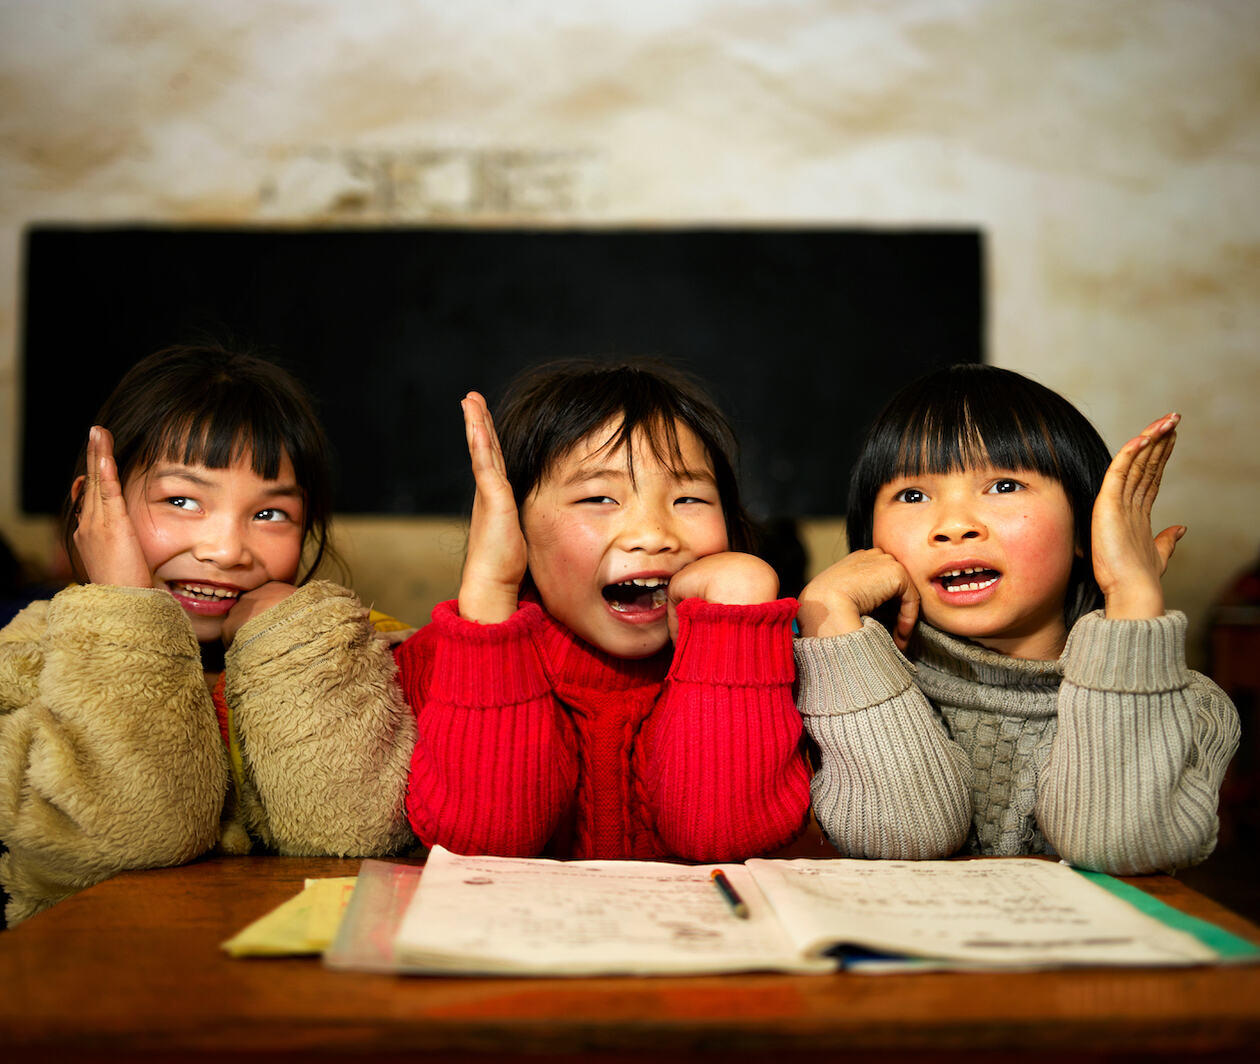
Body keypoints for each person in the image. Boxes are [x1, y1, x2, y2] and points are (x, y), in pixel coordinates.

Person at [0, 345, 416, 926]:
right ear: (91, 510)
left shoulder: (349, 653)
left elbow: (349, 835)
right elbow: (128, 840)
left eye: (270, 514)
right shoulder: (25, 662)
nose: (225, 550)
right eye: (181, 500)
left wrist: (287, 637)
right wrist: (127, 610)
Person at [794, 363, 1239, 874]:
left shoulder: (1190, 708)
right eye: (912, 495)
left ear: (1086, 530)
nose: (954, 526)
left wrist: (1133, 597)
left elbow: (1117, 846)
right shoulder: (832, 691)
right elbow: (905, 838)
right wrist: (829, 617)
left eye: (1004, 485)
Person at [395, 359, 810, 861]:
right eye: (598, 498)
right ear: (516, 528)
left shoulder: (768, 659)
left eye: (688, 499)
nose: (654, 535)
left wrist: (738, 602)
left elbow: (726, 837)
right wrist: (489, 593)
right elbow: (485, 843)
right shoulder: (441, 663)